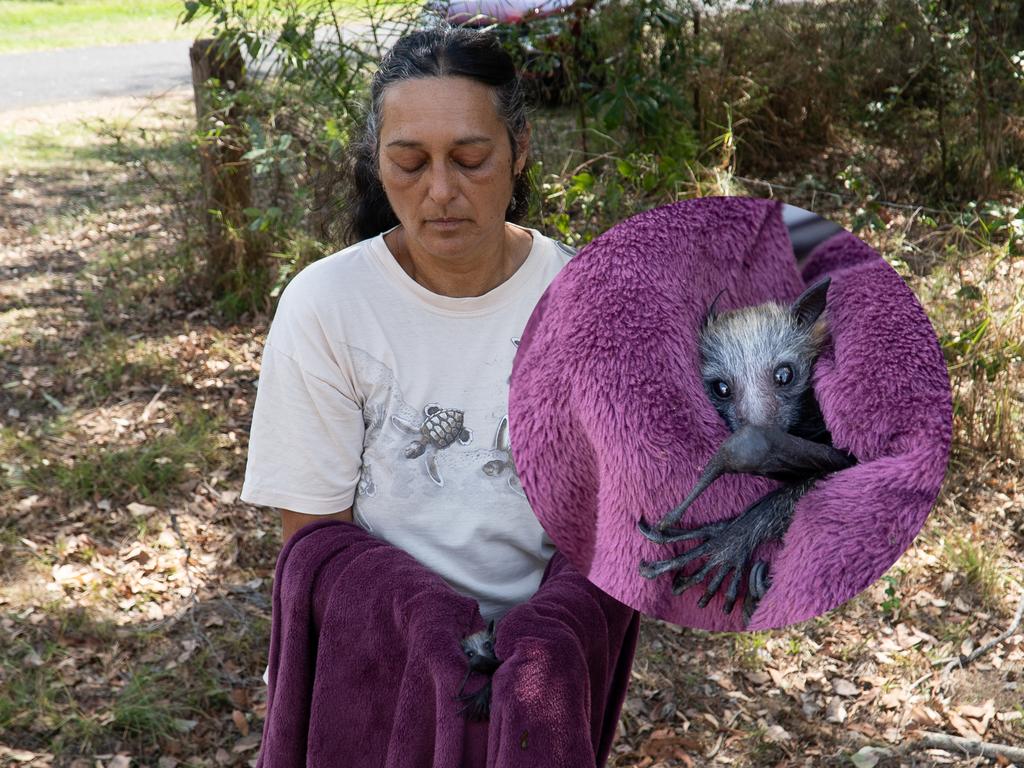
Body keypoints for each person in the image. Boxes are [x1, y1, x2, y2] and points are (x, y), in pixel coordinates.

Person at [239, 24, 577, 631]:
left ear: (519, 149)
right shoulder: (328, 306)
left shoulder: (582, 299)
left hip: (534, 662)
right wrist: (434, 640)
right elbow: (317, 549)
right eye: (409, 162)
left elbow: (606, 519)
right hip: (369, 654)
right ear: (377, 157)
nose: (441, 190)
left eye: (471, 160)